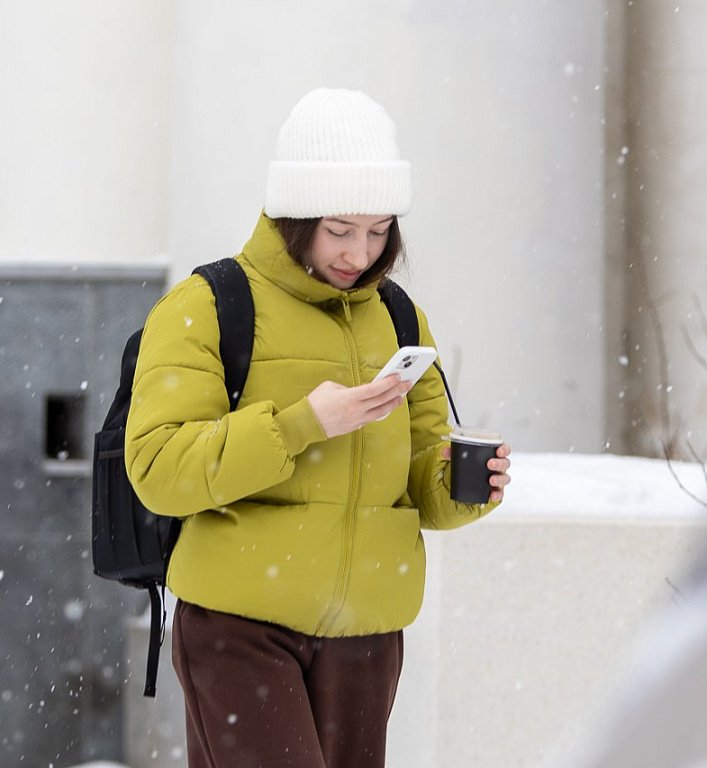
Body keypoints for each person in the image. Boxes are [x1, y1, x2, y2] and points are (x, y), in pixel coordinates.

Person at [124, 88, 512, 767]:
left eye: (379, 228)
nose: (360, 252)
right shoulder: (210, 306)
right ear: (294, 215)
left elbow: (421, 479)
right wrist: (303, 424)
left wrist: (464, 486)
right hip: (239, 627)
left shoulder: (398, 317)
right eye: (339, 229)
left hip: (366, 635)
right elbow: (160, 470)